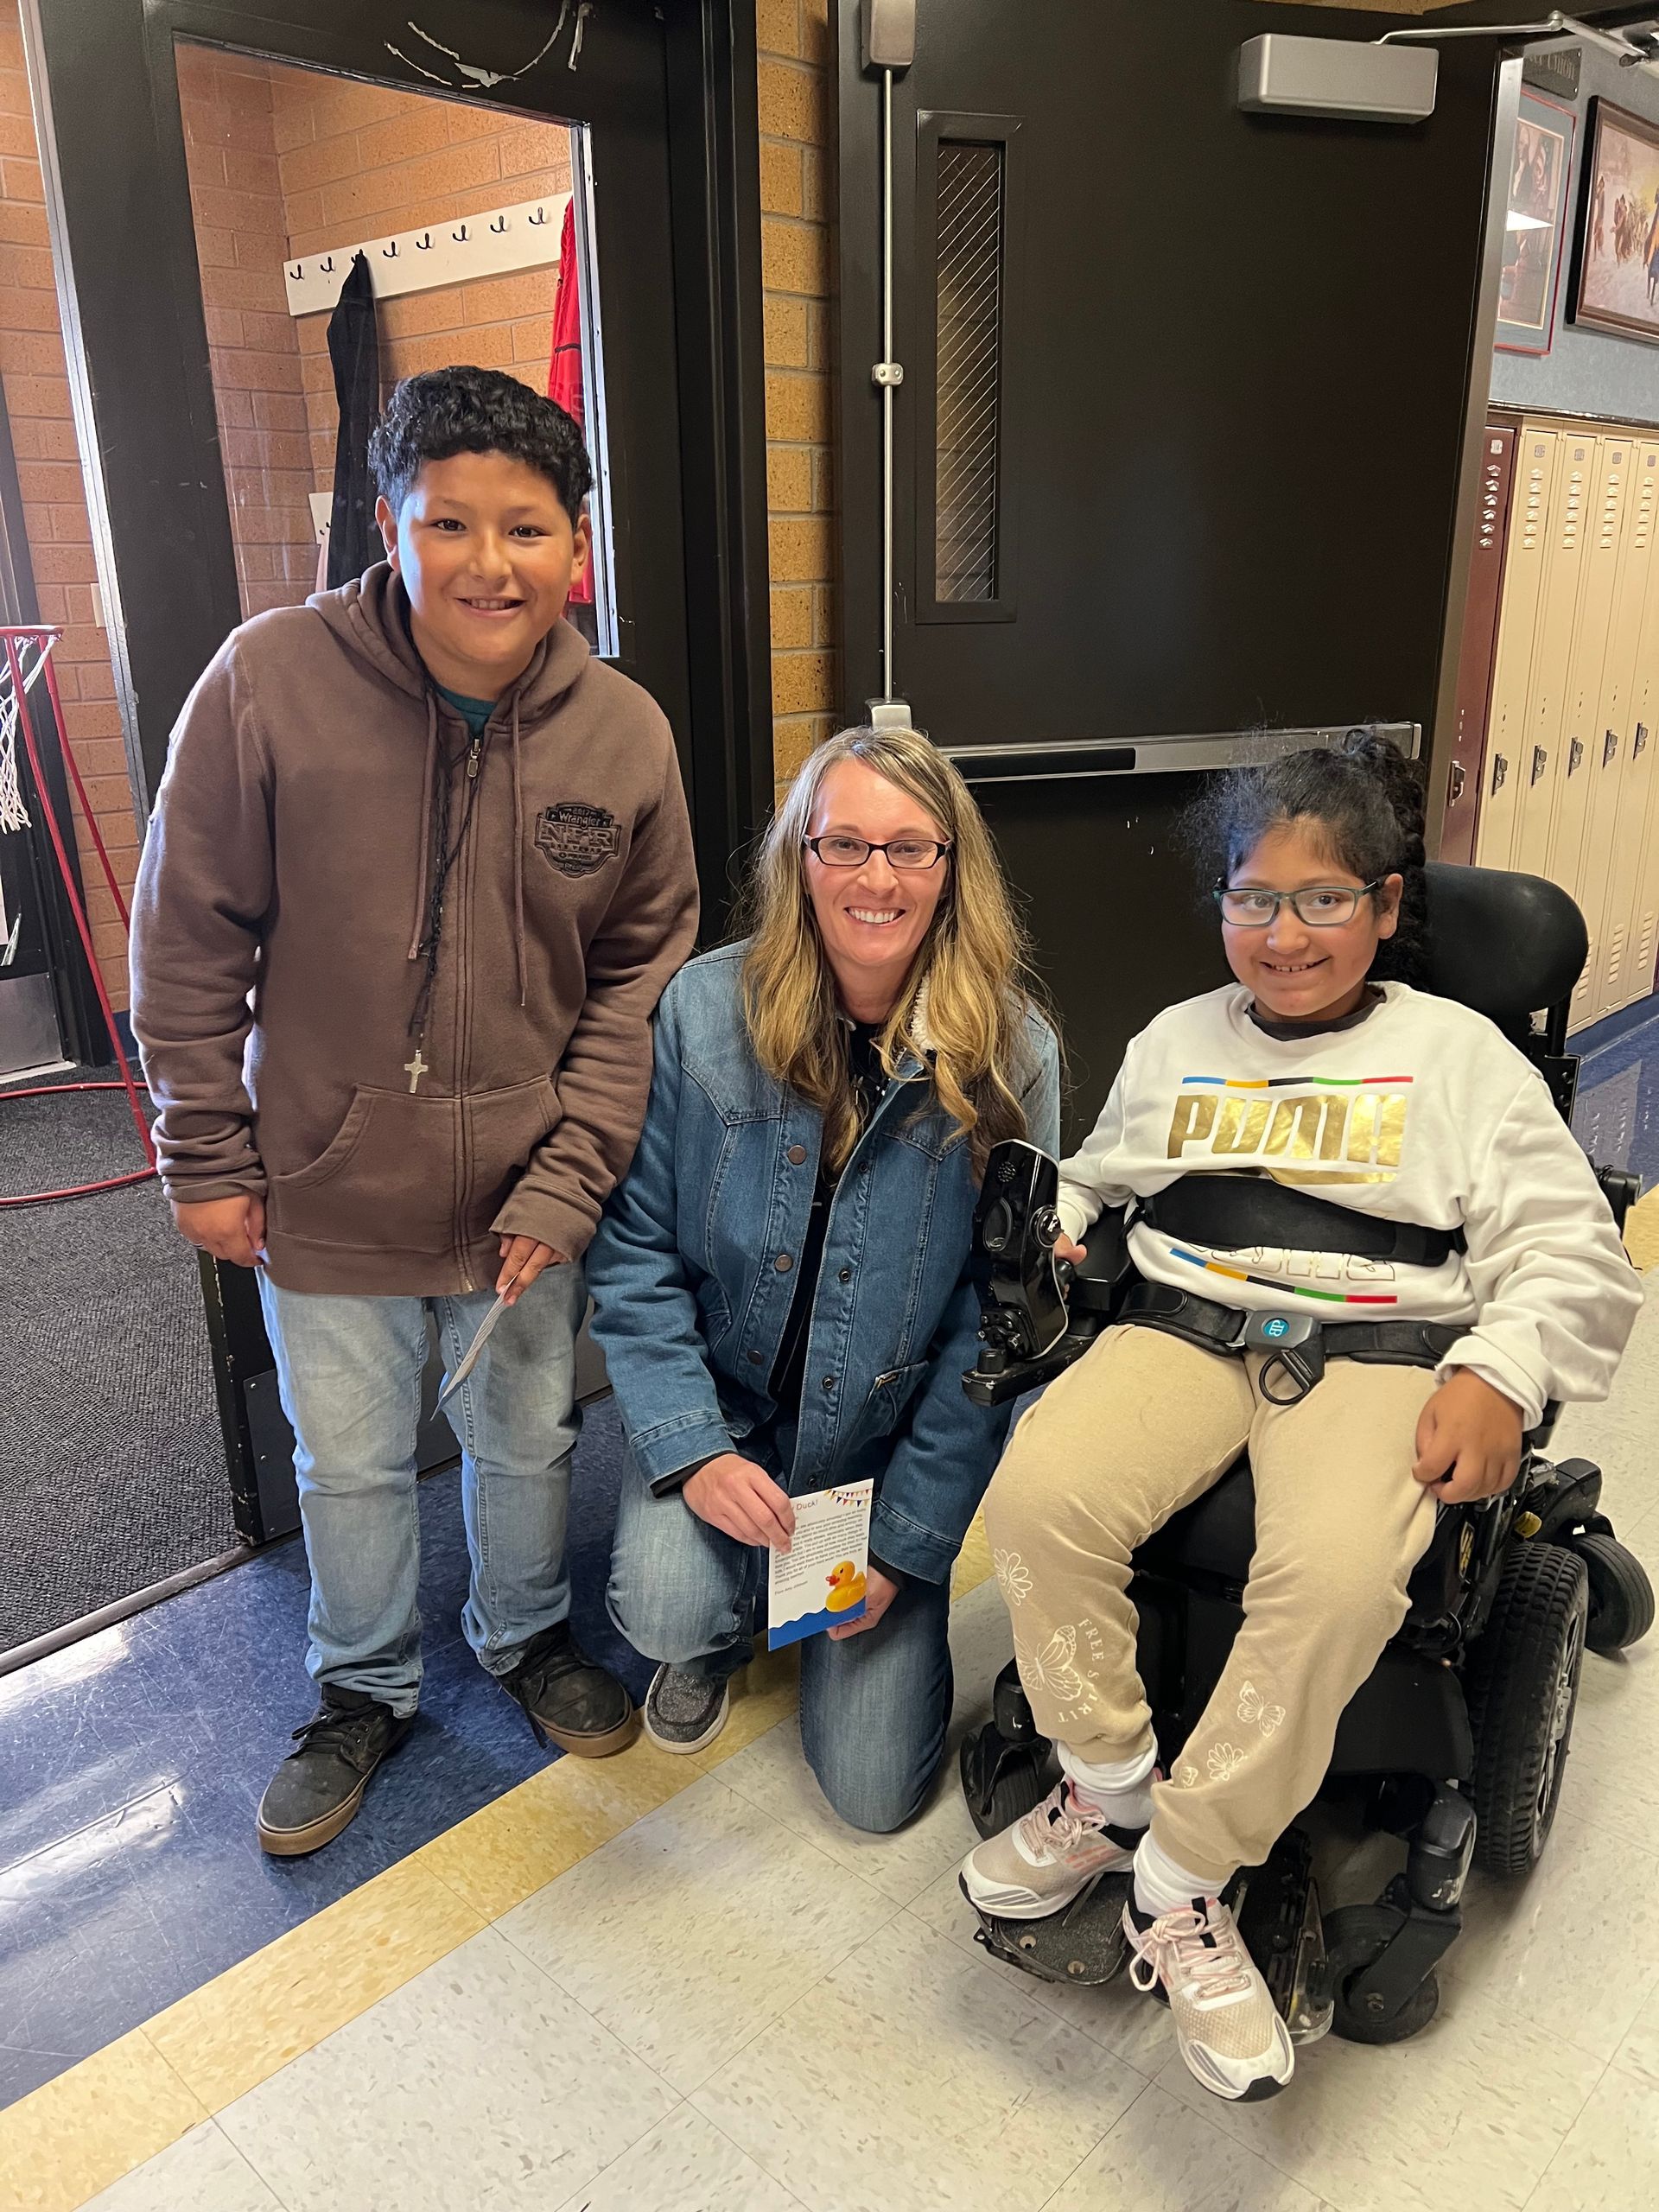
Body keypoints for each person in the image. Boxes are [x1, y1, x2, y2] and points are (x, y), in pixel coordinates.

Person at [961, 733, 1640, 2101]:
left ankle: (1188, 1872)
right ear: (1221, 905)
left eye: (1325, 899)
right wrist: (1064, 1224)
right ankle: (1105, 1783)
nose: (1284, 934)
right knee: (1036, 1496)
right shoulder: (1176, 1041)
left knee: (1330, 1577)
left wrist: (1498, 1371)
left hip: (1385, 1349)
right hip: (1185, 1326)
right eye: (1253, 897)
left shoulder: (1460, 1059)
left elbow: (1574, 1250)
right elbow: (1101, 1174)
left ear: (1387, 908)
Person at [130, 366, 699, 1855]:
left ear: (578, 545)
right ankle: (361, 1689)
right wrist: (206, 1152)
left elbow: (638, 975)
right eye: (451, 522)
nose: (489, 563)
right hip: (321, 1182)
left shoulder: (624, 733)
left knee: (527, 1444)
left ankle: (525, 1636)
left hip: (528, 1196)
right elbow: (186, 938)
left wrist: (573, 1173)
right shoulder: (267, 683)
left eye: (527, 528)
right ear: (393, 524)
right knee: (355, 1461)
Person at [587, 726, 1059, 1831]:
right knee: (660, 1604)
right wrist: (692, 1450)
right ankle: (722, 1617)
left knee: (874, 1795)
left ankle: (822, 1599)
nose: (877, 878)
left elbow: (994, 1331)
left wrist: (905, 1543)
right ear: (800, 856)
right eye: (844, 843)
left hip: (875, 1462)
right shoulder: (704, 1013)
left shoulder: (1012, 1054)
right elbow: (636, 1253)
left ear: (952, 867)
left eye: (909, 848)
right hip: (732, 1419)